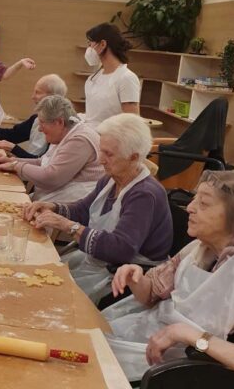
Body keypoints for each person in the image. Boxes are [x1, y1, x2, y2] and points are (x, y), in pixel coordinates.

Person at [24, 113, 172, 303]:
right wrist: (52, 207)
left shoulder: (144, 195)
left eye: (108, 154)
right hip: (101, 263)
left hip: (126, 278)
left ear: (133, 157)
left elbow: (121, 249)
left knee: (51, 298)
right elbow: (85, 210)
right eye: (101, 151)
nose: (101, 159)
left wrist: (69, 226)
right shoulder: (111, 179)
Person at [104, 170, 234, 381]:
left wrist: (190, 335)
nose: (190, 208)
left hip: (186, 373)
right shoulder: (196, 250)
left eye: (203, 203)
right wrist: (136, 278)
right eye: (194, 199)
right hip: (149, 342)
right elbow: (149, 296)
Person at [0, 95, 104, 203]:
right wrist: (12, 161)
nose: (40, 129)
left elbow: (52, 178)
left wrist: (16, 166)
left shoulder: (80, 140)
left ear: (59, 122)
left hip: (73, 205)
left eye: (42, 123)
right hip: (56, 197)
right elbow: (43, 162)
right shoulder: (65, 133)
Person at [0, 74, 67, 158]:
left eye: (37, 92)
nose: (32, 97)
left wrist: (13, 149)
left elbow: (42, 163)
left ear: (53, 97)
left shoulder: (60, 130)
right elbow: (12, 134)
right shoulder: (35, 119)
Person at [83, 23, 141, 128]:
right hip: (89, 136)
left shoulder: (126, 78)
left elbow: (132, 123)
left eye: (90, 44)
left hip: (109, 140)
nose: (88, 49)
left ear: (102, 44)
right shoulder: (94, 77)